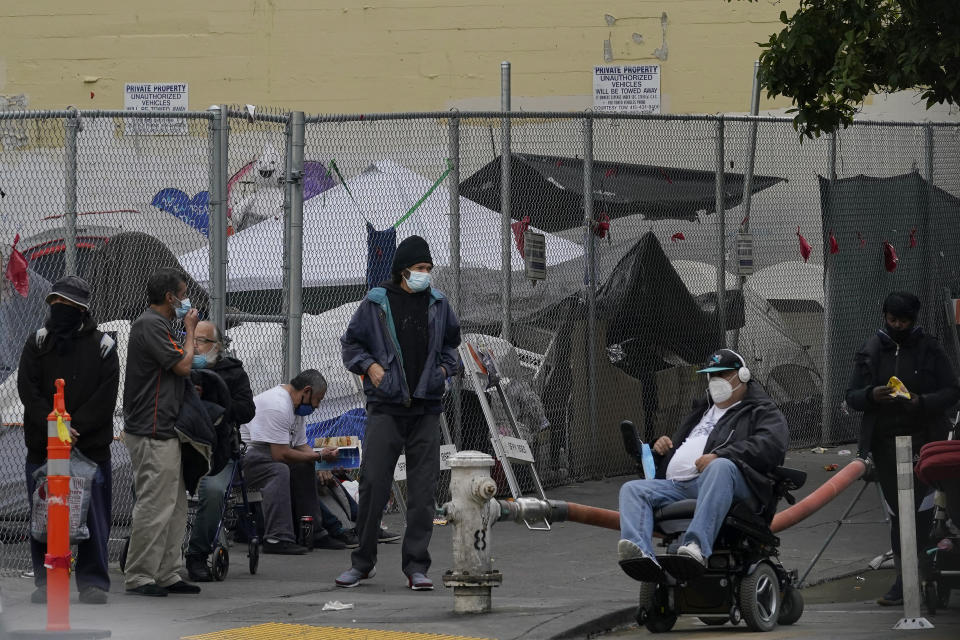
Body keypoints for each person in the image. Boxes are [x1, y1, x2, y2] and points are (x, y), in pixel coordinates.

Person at [337, 235, 461, 590]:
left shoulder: (439, 304)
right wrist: (370, 367)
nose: (426, 275)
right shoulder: (376, 303)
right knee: (373, 483)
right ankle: (362, 563)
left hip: (426, 408)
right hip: (385, 408)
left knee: (423, 493)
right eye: (420, 269)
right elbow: (351, 344)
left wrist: (443, 372)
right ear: (403, 270)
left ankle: (416, 568)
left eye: (428, 269)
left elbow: (453, 345)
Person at [618, 349, 789, 582]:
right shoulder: (702, 410)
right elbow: (685, 448)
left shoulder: (762, 410)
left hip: (735, 483)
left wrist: (721, 455)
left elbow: (772, 446)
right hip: (679, 485)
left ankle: (696, 547)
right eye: (712, 376)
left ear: (744, 375)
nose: (716, 381)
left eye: (723, 374)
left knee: (719, 467)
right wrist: (662, 450)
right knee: (632, 489)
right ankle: (641, 555)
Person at [845, 291, 960, 606]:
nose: (897, 326)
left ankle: (923, 570)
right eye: (892, 320)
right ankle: (903, 578)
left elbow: (952, 390)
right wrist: (872, 395)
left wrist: (920, 402)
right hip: (884, 444)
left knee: (921, 513)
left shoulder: (929, 348)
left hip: (924, 441)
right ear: (885, 317)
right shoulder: (871, 350)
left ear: (914, 320)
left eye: (904, 321)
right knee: (897, 515)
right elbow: (852, 395)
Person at [17, 276, 119, 605]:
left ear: (82, 309)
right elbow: (28, 391)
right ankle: (48, 579)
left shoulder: (103, 346)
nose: (60, 309)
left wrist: (74, 429)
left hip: (89, 448)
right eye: (55, 304)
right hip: (43, 446)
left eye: (68, 305)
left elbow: (106, 398)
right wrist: (55, 425)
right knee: (43, 514)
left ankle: (93, 582)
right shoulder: (38, 342)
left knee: (95, 517)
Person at [122, 268, 202, 597]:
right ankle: (140, 574)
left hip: (168, 427)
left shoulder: (160, 326)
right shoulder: (149, 325)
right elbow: (183, 365)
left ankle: (168, 570)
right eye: (183, 295)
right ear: (170, 297)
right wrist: (190, 330)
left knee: (175, 504)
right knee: (155, 503)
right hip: (152, 429)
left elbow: (189, 362)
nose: (186, 300)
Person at [240, 369, 352, 554]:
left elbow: (301, 447)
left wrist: (323, 463)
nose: (317, 406)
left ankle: (313, 532)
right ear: (306, 391)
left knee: (304, 465)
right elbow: (280, 454)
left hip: (269, 453)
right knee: (279, 470)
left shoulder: (297, 409)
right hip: (248, 457)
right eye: (318, 399)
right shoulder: (277, 405)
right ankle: (277, 537)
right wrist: (319, 456)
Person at [184, 321, 256, 582]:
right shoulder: (179, 367)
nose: (196, 345)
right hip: (182, 448)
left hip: (218, 451)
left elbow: (247, 410)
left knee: (213, 491)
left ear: (217, 346)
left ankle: (197, 554)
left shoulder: (233, 373)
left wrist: (217, 404)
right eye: (192, 339)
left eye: (202, 341)